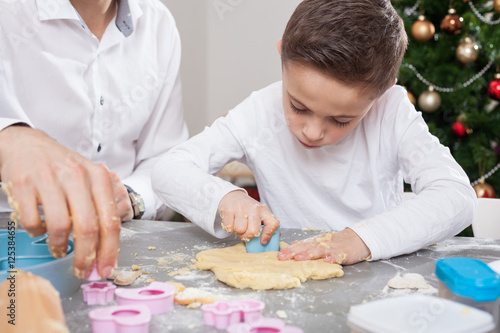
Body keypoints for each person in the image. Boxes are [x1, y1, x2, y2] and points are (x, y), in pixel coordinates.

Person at [152, 0, 476, 265]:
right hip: (288, 280)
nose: (312, 131)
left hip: (378, 279)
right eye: (298, 106)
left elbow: (456, 196)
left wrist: (362, 239)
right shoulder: (259, 112)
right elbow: (169, 169)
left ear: (382, 92)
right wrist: (227, 197)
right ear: (282, 54)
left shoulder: (391, 112)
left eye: (341, 120)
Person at [0, 0, 188, 279]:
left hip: (122, 253)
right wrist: (9, 137)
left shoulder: (158, 24)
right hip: (13, 245)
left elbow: (166, 158)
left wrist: (129, 198)